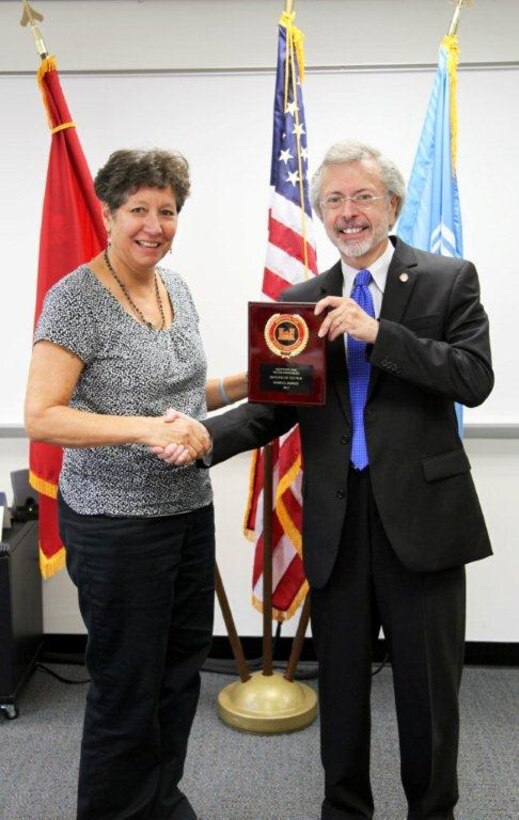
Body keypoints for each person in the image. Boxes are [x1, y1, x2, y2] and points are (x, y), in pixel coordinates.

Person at [155, 139, 493, 819]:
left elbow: (472, 379)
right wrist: (198, 439)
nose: (347, 213)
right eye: (333, 200)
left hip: (422, 520)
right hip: (337, 522)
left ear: (391, 204)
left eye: (361, 196)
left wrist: (378, 335)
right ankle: (344, 810)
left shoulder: (446, 279)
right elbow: (271, 410)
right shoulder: (300, 300)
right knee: (339, 689)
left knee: (427, 693)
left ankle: (433, 811)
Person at [24, 147, 247, 820]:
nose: (154, 225)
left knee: (178, 678)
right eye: (138, 211)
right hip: (117, 524)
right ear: (108, 213)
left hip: (186, 512)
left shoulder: (174, 287)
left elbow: (185, 393)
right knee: (128, 688)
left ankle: (158, 804)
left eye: (167, 211)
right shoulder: (75, 299)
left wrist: (263, 378)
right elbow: (44, 415)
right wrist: (146, 431)